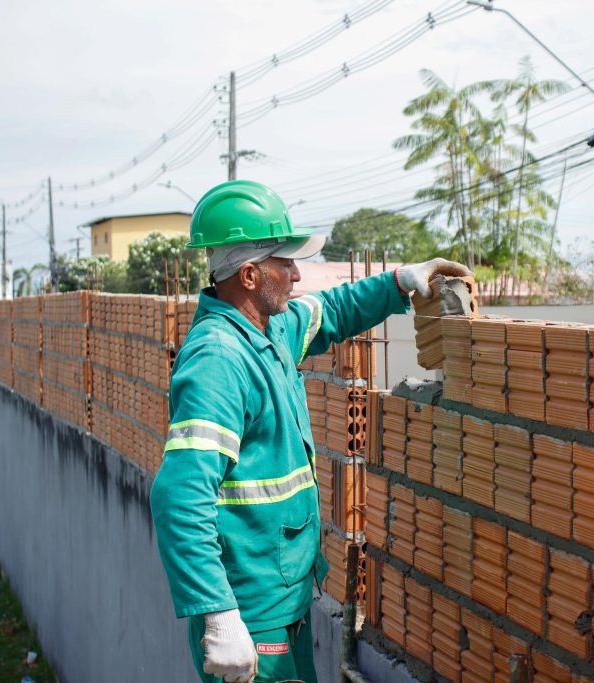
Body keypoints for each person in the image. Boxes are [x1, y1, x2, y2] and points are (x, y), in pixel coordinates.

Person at [149, 179, 470, 683]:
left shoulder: (268, 329)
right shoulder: (219, 358)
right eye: (286, 263)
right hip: (250, 615)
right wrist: (217, 613)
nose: (297, 274)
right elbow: (179, 496)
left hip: (284, 601)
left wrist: (401, 282)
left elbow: (333, 311)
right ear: (251, 275)